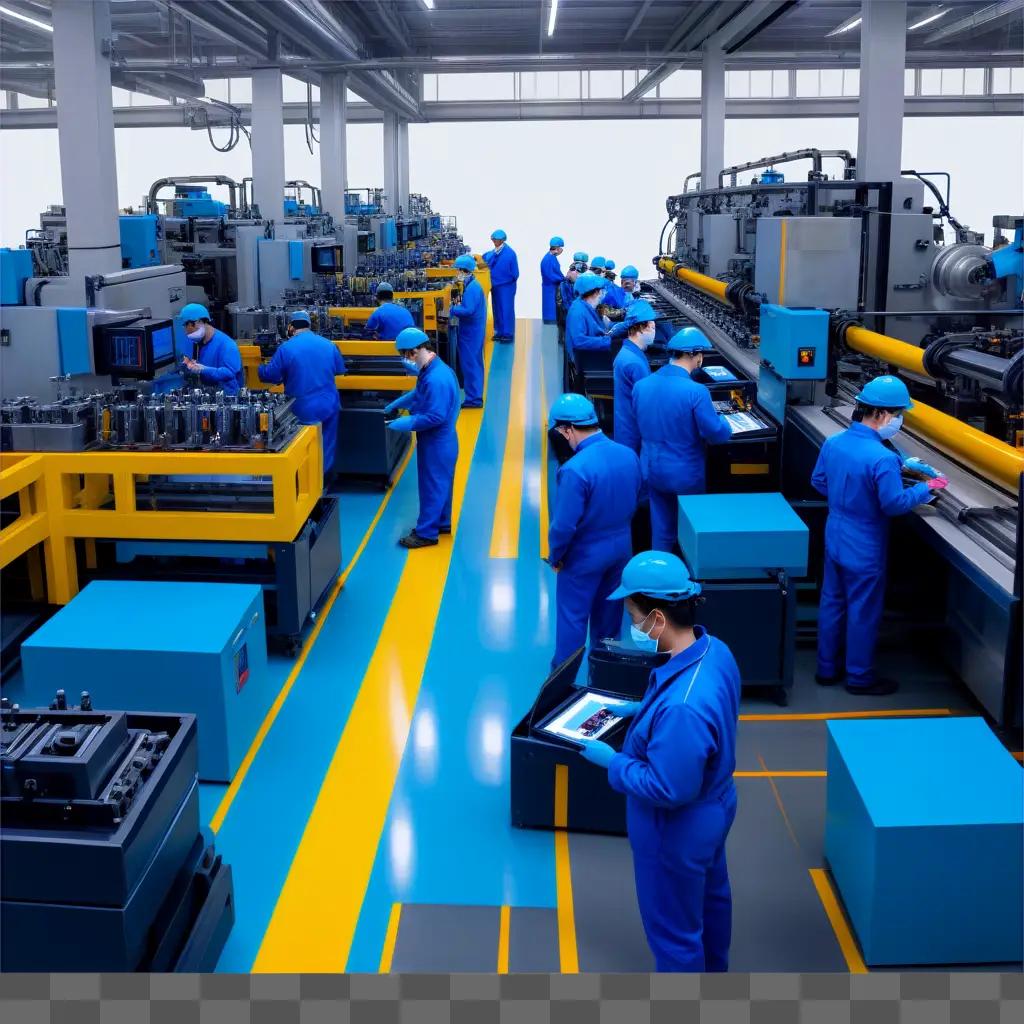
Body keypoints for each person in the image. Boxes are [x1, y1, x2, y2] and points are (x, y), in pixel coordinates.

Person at [576, 551, 741, 972]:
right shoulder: (715, 651)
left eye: (634, 615)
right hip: (717, 805)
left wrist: (612, 762)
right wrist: (644, 708)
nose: (633, 625)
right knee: (710, 899)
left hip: (677, 827)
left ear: (658, 618)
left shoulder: (682, 710)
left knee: (673, 934)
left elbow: (669, 788)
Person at [812, 375, 947, 695]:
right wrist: (927, 486)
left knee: (832, 602)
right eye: (899, 414)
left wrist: (896, 466)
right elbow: (894, 504)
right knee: (863, 609)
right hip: (865, 543)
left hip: (836, 534)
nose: (899, 421)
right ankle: (859, 677)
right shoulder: (882, 458)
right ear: (884, 415)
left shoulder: (835, 442)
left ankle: (826, 669)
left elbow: (818, 481)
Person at [547, 394, 642, 668]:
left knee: (572, 621)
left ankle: (562, 687)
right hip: (622, 549)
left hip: (583, 556)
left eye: (561, 433)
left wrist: (557, 557)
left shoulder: (575, 470)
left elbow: (563, 526)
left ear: (568, 429)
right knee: (609, 621)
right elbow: (638, 496)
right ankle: (605, 677)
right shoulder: (628, 455)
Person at [633, 327, 733, 552]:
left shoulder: (642, 386)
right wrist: (727, 423)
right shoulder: (696, 391)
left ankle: (659, 577)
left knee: (661, 531)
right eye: (701, 354)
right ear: (694, 355)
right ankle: (690, 580)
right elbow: (715, 434)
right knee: (692, 532)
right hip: (685, 474)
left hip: (651, 469)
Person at [384, 327, 460, 549]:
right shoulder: (432, 369)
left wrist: (404, 423)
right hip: (441, 441)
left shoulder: (437, 379)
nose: (405, 361)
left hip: (437, 441)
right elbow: (418, 394)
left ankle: (426, 533)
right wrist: (396, 405)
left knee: (432, 486)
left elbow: (435, 416)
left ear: (416, 351)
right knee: (442, 485)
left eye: (405, 355)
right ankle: (442, 523)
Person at [258, 311, 347, 476]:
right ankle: (323, 480)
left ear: (291, 327)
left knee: (302, 446)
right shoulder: (328, 344)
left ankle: (306, 482)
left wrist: (260, 367)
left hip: (301, 407)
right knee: (326, 443)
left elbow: (271, 376)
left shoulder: (286, 348)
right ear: (309, 325)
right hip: (329, 404)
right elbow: (339, 369)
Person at [612, 300, 658, 454]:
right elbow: (646, 404)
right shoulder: (634, 363)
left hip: (625, 425)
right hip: (634, 434)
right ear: (640, 328)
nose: (654, 331)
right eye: (652, 327)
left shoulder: (628, 352)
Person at [180, 302, 243, 395]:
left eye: (187, 326)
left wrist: (204, 369)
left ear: (199, 322)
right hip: (205, 395)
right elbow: (188, 359)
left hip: (227, 398)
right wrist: (186, 363)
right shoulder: (196, 341)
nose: (186, 332)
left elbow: (230, 373)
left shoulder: (227, 345)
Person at [449, 254, 486, 409]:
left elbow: (469, 310)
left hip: (470, 333)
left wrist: (452, 309)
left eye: (458, 270)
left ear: (465, 270)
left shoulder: (472, 289)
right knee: (475, 364)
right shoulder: (473, 285)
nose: (457, 273)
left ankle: (473, 399)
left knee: (470, 365)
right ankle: (475, 395)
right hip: (473, 331)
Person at [483, 229, 519, 343]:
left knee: (506, 309)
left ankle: (508, 333)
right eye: (493, 240)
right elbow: (486, 258)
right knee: (497, 309)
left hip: (506, 287)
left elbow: (515, 273)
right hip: (495, 285)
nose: (494, 242)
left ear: (502, 240)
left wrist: (506, 281)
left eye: (496, 240)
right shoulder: (495, 252)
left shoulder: (510, 254)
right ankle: (498, 332)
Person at [540, 236, 566, 325]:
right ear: (557, 248)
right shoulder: (547, 259)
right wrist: (562, 279)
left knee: (554, 309)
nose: (561, 250)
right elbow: (550, 275)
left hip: (553, 288)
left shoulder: (552, 258)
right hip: (550, 289)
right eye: (561, 248)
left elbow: (556, 271)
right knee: (550, 310)